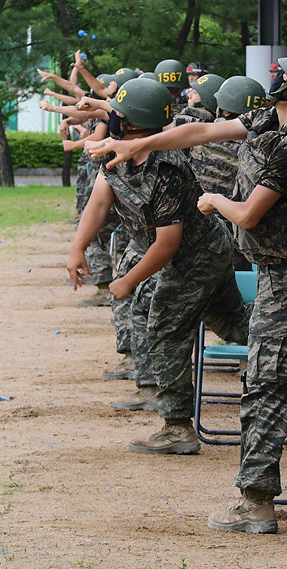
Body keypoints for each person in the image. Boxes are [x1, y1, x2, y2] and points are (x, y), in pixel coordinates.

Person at [89, 48, 287, 532]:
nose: (274, 78)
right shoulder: (270, 122)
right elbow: (202, 131)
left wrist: (214, 200)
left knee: (265, 388)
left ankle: (256, 502)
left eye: (282, 74)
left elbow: (250, 213)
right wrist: (139, 146)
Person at [67, 77, 250, 455]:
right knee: (232, 323)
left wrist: (126, 281)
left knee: (165, 326)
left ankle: (177, 427)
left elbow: (167, 246)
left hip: (198, 254)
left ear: (132, 123)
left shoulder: (166, 169)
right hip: (195, 252)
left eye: (116, 113)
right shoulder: (116, 153)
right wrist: (77, 248)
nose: (110, 117)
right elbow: (100, 202)